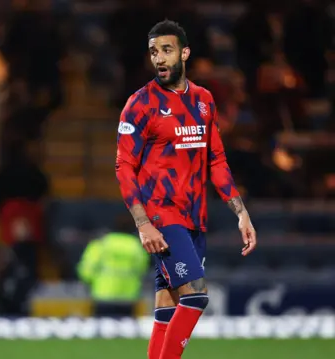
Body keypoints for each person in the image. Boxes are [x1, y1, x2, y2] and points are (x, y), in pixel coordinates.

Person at [115, 20, 257, 359]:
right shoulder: (140, 104)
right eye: (153, 52)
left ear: (185, 52)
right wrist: (143, 222)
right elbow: (123, 166)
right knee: (196, 295)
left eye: (166, 50)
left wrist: (241, 212)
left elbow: (217, 160)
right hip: (162, 215)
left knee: (168, 304)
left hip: (195, 218)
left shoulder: (204, 101)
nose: (160, 59)